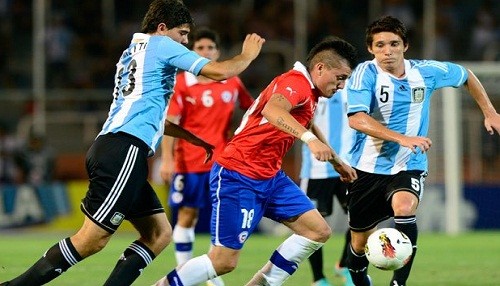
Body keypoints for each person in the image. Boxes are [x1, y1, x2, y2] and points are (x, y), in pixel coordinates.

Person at [0, 0, 264, 285]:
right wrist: (247, 56)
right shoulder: (161, 45)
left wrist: (194, 139)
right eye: (183, 33)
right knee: (92, 239)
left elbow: (153, 118)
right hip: (124, 149)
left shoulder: (132, 53)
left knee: (159, 234)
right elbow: (219, 72)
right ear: (162, 28)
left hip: (120, 148)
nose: (186, 41)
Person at [153, 35, 358, 286]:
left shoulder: (309, 92)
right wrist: (309, 140)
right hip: (239, 173)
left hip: (270, 176)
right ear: (320, 68)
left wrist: (335, 160)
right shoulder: (296, 83)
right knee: (223, 261)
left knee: (317, 230)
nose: (341, 85)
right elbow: (273, 111)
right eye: (340, 78)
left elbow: (308, 121)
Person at [344, 15, 500, 286]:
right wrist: (401, 137)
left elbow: (466, 75)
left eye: (393, 43)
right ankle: (359, 278)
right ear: (370, 49)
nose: (387, 51)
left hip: (409, 162)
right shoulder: (364, 74)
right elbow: (356, 119)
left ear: (405, 46)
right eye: (380, 45)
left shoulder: (426, 72)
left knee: (404, 208)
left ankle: (398, 283)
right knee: (358, 244)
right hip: (366, 167)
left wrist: (490, 112)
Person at [160, 27, 254, 286]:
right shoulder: (182, 82)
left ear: (217, 52)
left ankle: (211, 271)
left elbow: (252, 110)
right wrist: (167, 159)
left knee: (220, 216)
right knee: (187, 216)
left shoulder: (232, 82)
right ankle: (183, 269)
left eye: (209, 48)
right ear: (193, 52)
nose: (205, 52)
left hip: (222, 163)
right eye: (199, 48)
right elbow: (171, 123)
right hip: (188, 163)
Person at [299, 88, 355, 286]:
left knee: (361, 219)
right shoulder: (309, 90)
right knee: (312, 226)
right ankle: (318, 278)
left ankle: (345, 264)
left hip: (347, 166)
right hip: (316, 170)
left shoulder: (353, 87)